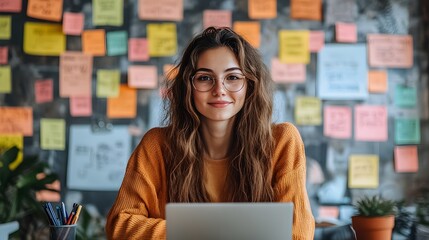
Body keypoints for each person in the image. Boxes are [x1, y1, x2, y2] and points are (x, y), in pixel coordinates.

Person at [105, 27, 315, 239]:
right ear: (188, 86)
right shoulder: (157, 145)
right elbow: (120, 226)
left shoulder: (282, 141)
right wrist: (211, 231)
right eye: (205, 78)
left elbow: (297, 233)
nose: (219, 89)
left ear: (249, 86)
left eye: (232, 77)